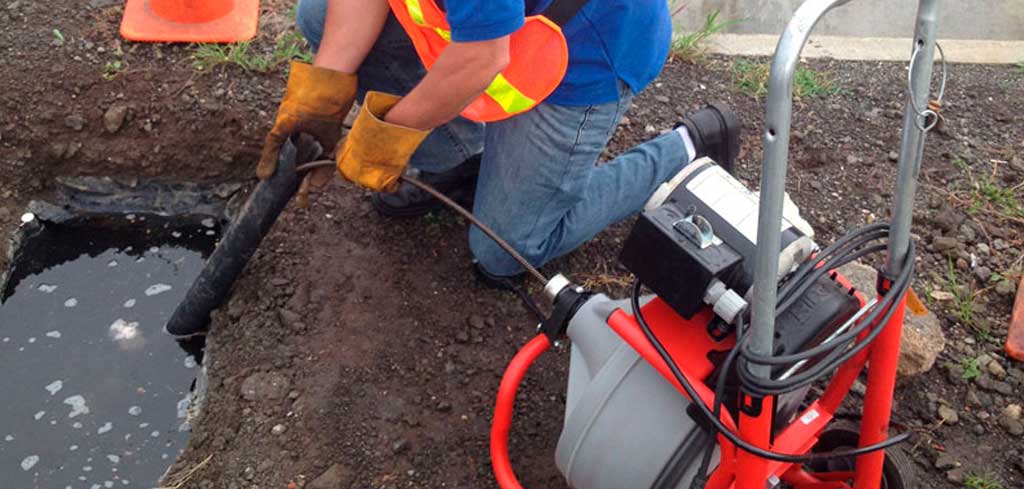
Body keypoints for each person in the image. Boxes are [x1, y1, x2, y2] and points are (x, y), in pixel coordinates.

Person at [259, 0, 740, 285]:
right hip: (496, 27)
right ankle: (461, 161)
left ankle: (687, 148)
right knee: (322, 15)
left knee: (506, 252)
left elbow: (480, 57)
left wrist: (387, 133)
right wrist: (323, 95)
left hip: (579, 50)